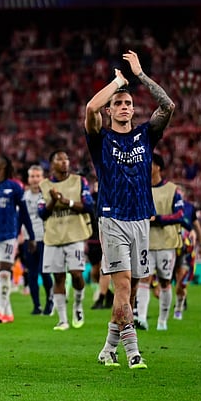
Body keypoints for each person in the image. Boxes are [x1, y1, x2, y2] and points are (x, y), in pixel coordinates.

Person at [84, 49, 175, 369]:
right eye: (119, 104)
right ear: (110, 111)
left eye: (128, 103)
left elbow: (168, 106)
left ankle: (108, 348)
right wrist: (117, 82)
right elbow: (90, 107)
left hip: (140, 218)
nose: (124, 107)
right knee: (122, 287)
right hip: (112, 217)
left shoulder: (145, 136)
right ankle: (133, 351)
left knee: (132, 290)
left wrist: (140, 76)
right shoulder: (100, 137)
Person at [38, 149, 95, 331]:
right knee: (58, 278)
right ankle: (62, 320)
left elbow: (89, 206)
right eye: (59, 159)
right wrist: (54, 201)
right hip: (53, 237)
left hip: (75, 235)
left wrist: (67, 201)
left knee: (77, 274)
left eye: (66, 159)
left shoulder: (79, 181)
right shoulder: (45, 185)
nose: (64, 162)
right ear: (52, 164)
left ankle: (78, 305)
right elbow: (42, 213)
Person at [0, 154, 34, 324]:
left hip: (8, 235)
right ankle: (8, 310)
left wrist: (31, 236)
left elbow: (25, 213)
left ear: (2, 166)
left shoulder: (15, 187)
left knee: (4, 273)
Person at [144, 153, 188, 330]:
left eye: (150, 163)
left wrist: (159, 219)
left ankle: (162, 320)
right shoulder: (140, 188)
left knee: (164, 282)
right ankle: (140, 318)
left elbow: (180, 215)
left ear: (158, 167)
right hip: (145, 242)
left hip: (167, 243)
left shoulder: (173, 189)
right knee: (143, 279)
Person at [21, 164, 54, 316]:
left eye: (37, 176)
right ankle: (36, 306)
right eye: (32, 176)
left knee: (45, 272)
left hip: (45, 238)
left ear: (43, 178)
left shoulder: (47, 195)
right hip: (29, 239)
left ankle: (49, 302)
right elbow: (20, 218)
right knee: (31, 274)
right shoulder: (24, 196)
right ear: (29, 178)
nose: (34, 179)